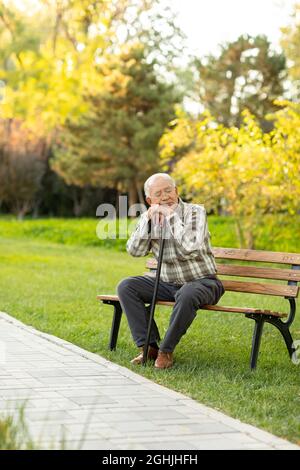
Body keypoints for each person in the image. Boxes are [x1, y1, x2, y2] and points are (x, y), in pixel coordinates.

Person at [117, 173, 225, 369]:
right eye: (158, 193)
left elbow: (190, 247)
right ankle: (148, 347)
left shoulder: (195, 212)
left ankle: (165, 351)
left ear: (176, 191)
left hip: (203, 282)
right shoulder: (149, 216)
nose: (165, 196)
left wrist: (171, 217)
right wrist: (147, 222)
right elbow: (135, 251)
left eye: (168, 190)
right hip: (167, 283)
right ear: (150, 200)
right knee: (126, 286)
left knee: (187, 293)